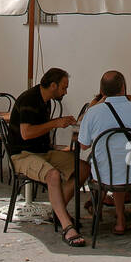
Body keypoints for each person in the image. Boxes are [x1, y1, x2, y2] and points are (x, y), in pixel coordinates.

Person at [6, 67, 86, 247]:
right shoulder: (29, 99)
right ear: (53, 85)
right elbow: (26, 133)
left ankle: (58, 213)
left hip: (43, 152)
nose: (66, 92)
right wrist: (56, 123)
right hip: (22, 155)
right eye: (64, 87)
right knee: (53, 175)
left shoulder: (46, 101)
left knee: (83, 168)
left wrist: (58, 124)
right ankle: (67, 226)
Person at [77, 71, 131, 235]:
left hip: (103, 174)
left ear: (102, 91)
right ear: (123, 87)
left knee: (102, 163)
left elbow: (83, 145)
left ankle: (99, 214)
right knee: (125, 161)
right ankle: (120, 220)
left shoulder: (93, 112)